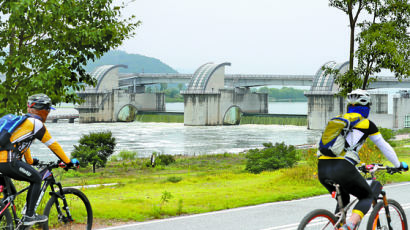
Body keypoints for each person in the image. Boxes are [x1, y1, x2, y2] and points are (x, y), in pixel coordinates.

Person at [317, 89, 408, 230]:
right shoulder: (366, 124)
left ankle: (337, 225)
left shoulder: (337, 121)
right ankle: (349, 226)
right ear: (366, 107)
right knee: (367, 196)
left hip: (322, 168)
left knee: (344, 199)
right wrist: (398, 164)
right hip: (342, 168)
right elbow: (384, 146)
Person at [0, 93, 78, 226]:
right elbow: (53, 145)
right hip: (7, 161)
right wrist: (68, 162)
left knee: (11, 193)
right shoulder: (36, 124)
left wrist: (31, 161)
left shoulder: (23, 122)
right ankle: (29, 216)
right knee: (36, 178)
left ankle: (8, 223)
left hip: (3, 162)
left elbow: (22, 145)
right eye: (48, 110)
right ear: (44, 110)